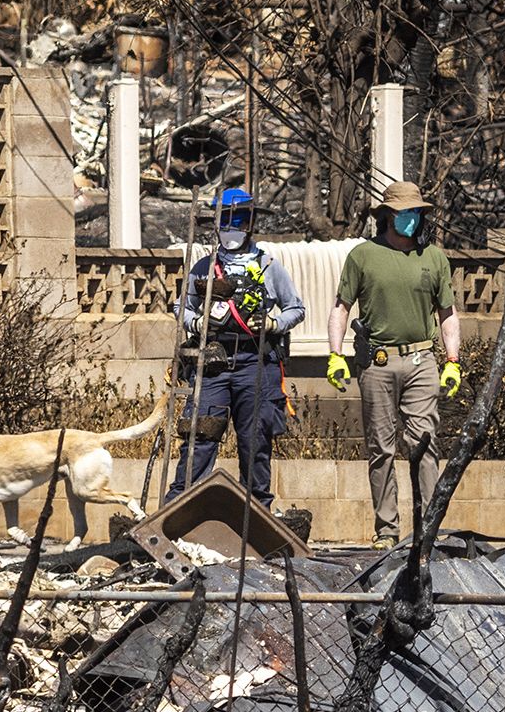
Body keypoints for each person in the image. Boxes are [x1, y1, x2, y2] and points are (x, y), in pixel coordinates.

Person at [326, 181, 463, 550]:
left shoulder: (434, 258)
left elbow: (447, 313)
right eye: (404, 212)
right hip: (378, 362)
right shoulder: (363, 256)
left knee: (424, 443)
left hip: (422, 360)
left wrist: (453, 361)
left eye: (416, 212)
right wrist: (335, 355)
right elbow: (341, 308)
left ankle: (430, 528)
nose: (411, 218)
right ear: (388, 215)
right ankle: (387, 530)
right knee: (381, 448)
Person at [170, 186, 306, 503]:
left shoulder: (269, 266)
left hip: (254, 363)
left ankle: (257, 510)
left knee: (255, 442)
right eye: (226, 221)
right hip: (212, 364)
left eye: (239, 220)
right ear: (216, 225)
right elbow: (181, 307)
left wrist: (273, 324)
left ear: (250, 223)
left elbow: (296, 309)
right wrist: (197, 323)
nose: (232, 228)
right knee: (199, 436)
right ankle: (180, 506)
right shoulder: (204, 268)